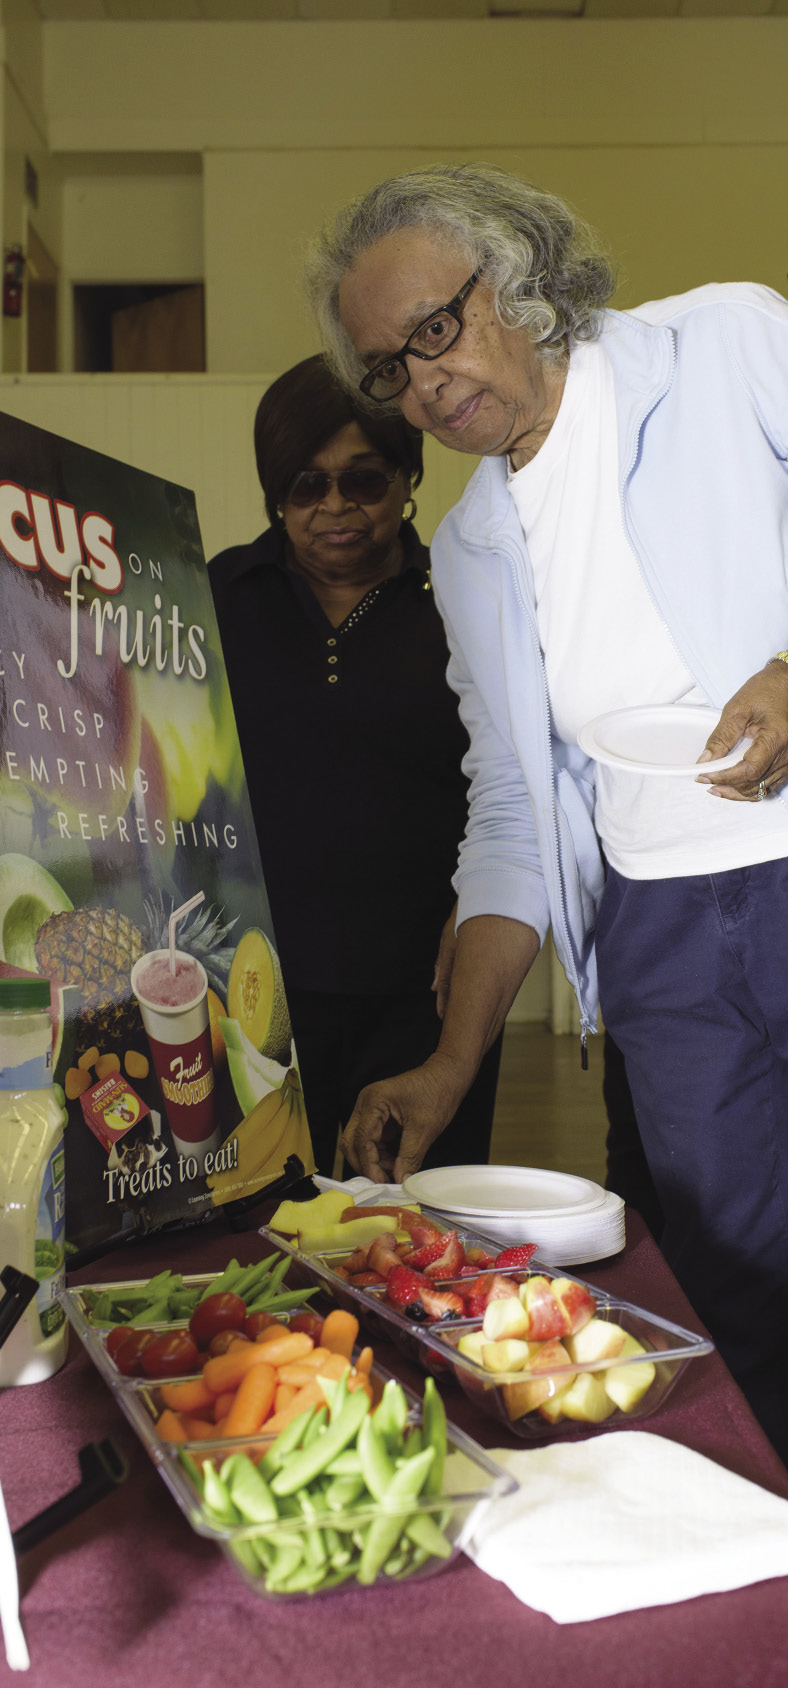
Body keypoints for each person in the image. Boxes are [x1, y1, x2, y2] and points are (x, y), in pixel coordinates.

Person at [305, 163, 788, 1460]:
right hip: (660, 942)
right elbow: (515, 815)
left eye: (435, 332)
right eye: (387, 370)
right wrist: (454, 1060)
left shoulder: (728, 348)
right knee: (731, 1291)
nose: (420, 384)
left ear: (519, 279)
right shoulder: (470, 547)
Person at [208, 353, 501, 1179]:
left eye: (364, 480)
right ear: (275, 494)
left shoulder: (464, 601)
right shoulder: (215, 597)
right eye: (306, 485)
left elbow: (507, 783)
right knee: (253, 1213)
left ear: (408, 477)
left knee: (411, 1212)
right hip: (248, 986)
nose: (335, 506)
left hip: (425, 989)